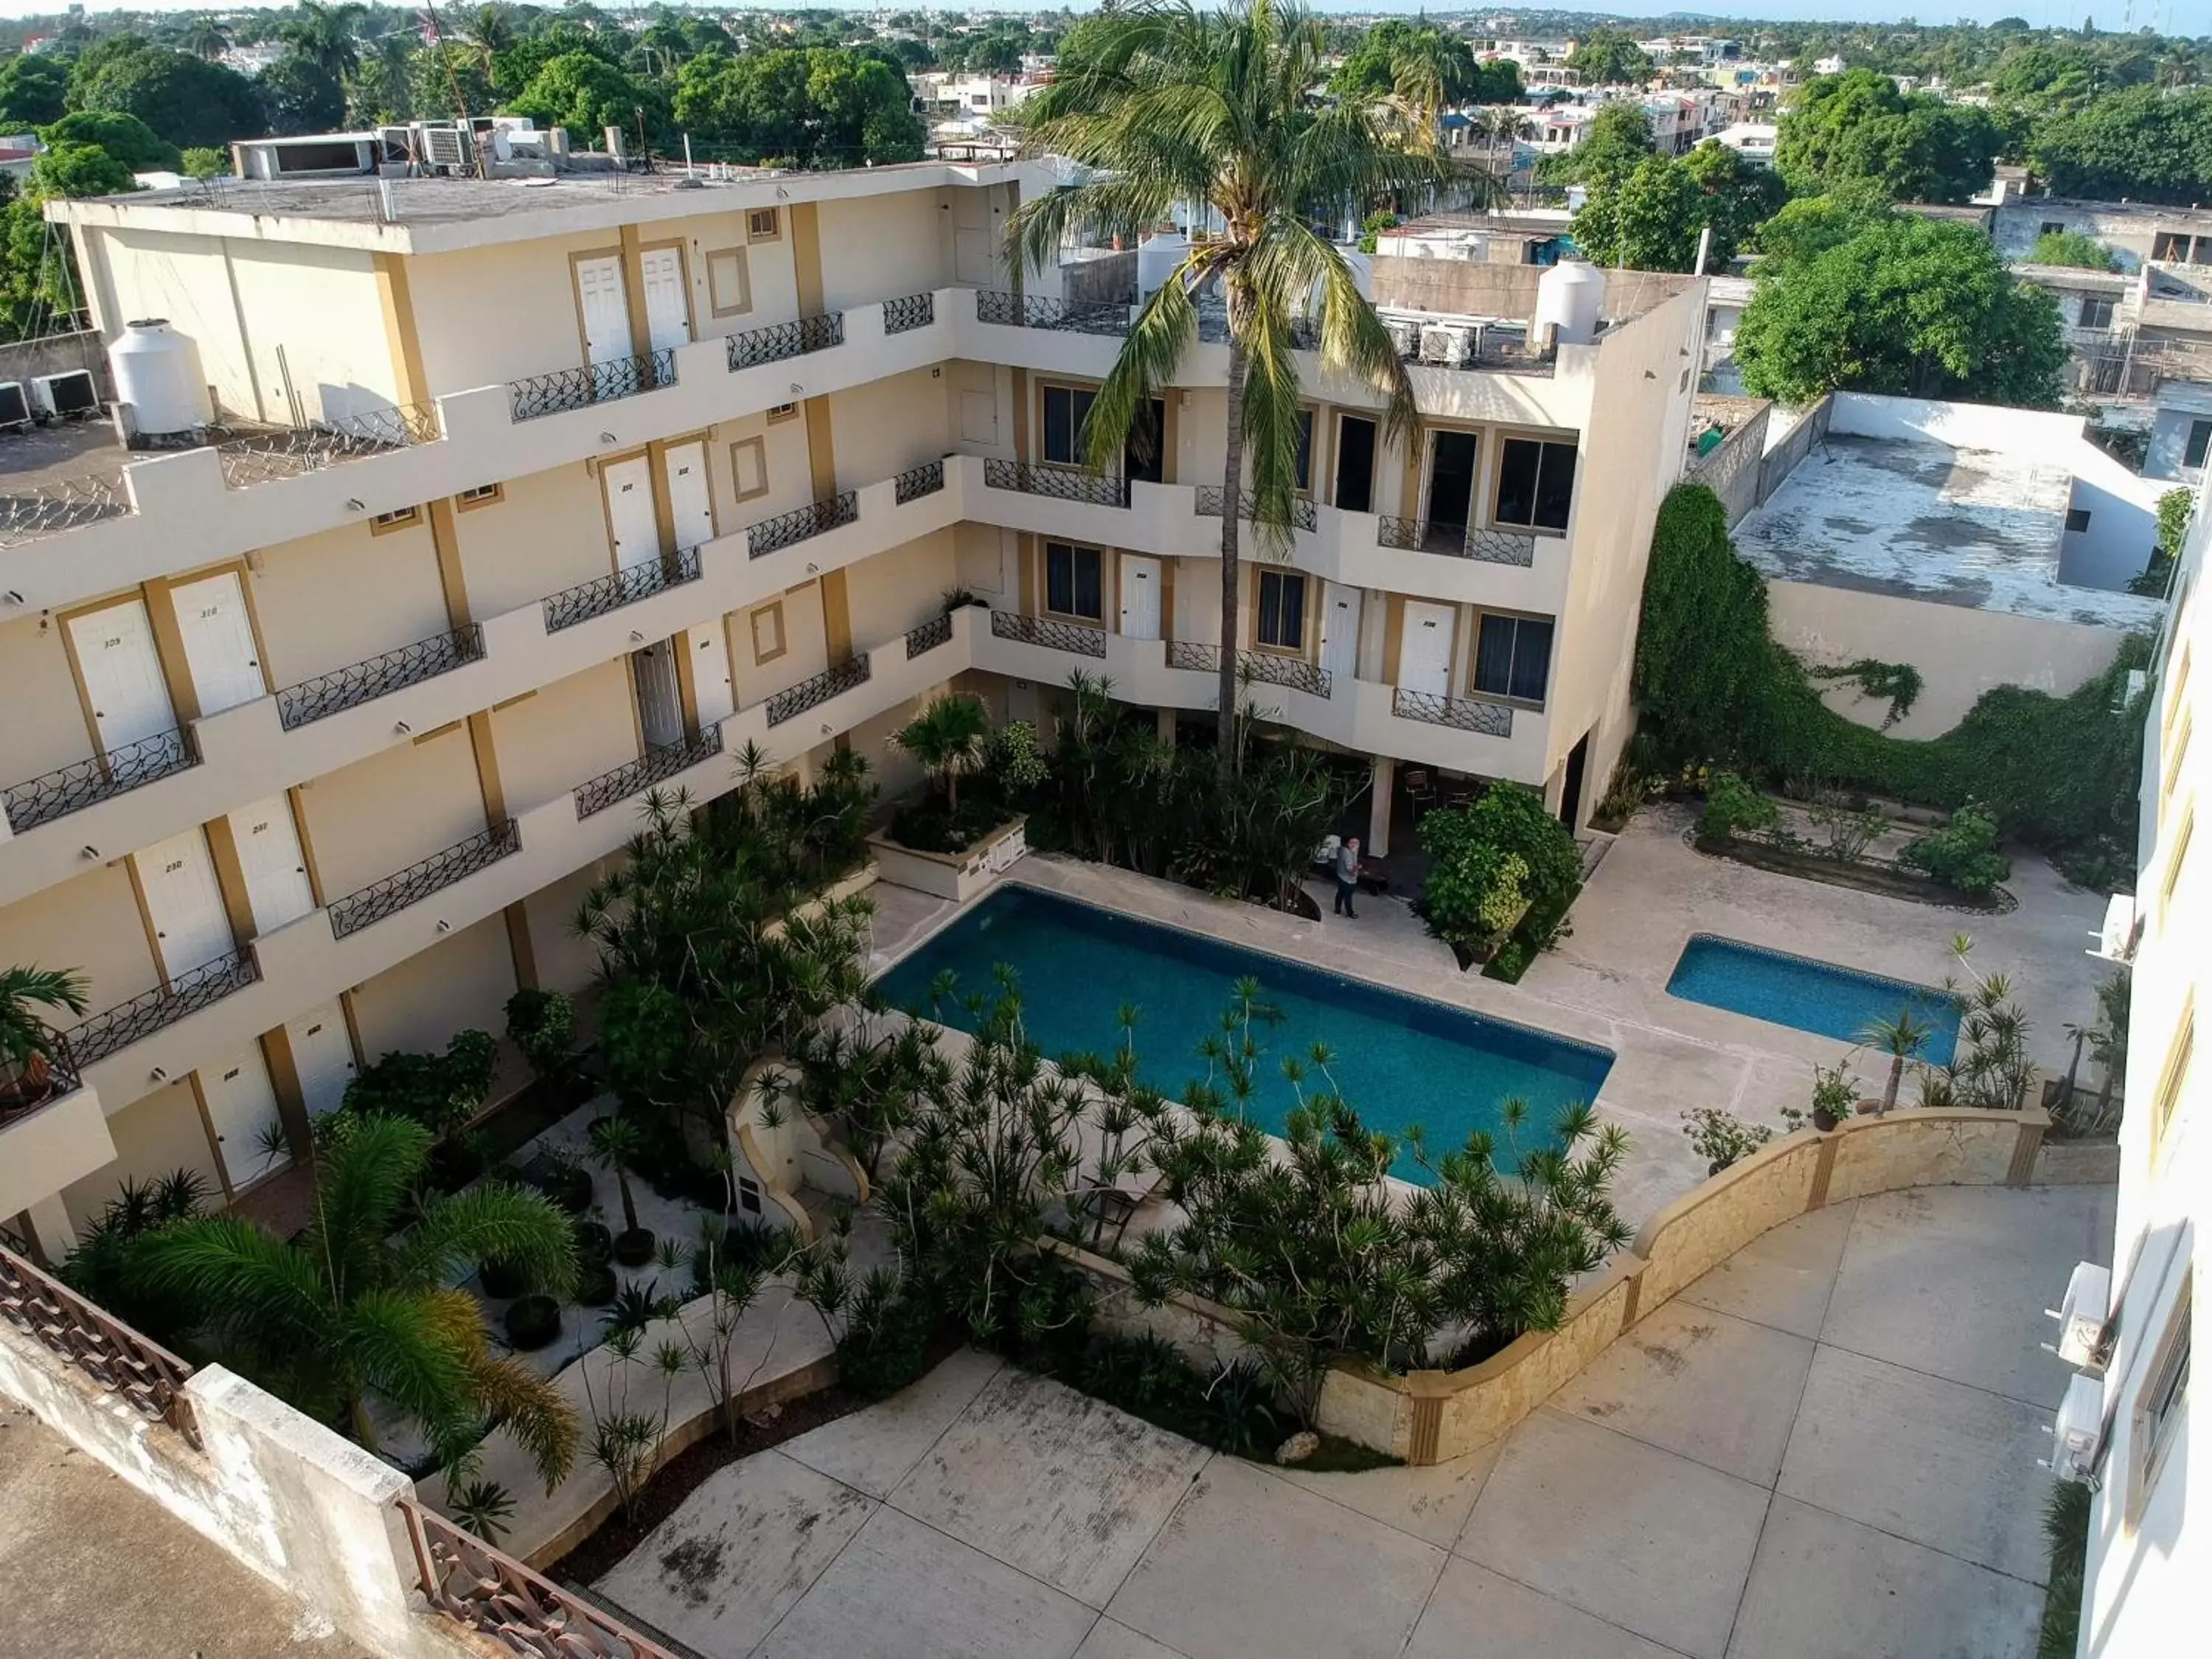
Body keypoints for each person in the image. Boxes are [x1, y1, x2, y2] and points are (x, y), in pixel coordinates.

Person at [1333, 835, 1361, 917]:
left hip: (1340, 875)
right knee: (1348, 896)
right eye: (1352, 843)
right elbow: (1349, 869)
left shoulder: (1341, 849)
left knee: (1340, 893)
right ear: (1348, 843)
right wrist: (1358, 868)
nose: (1355, 845)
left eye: (1356, 843)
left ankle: (1337, 910)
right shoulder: (1348, 853)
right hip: (1348, 879)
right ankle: (1350, 913)